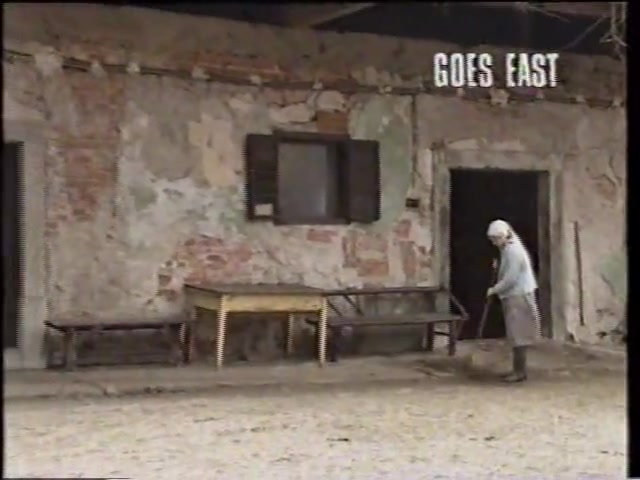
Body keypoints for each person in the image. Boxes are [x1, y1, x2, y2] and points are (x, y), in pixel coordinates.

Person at [486, 219, 541, 383]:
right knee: (516, 334)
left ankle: (520, 372)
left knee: (519, 335)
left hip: (519, 296)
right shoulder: (507, 249)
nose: (494, 242)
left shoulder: (513, 251)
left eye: (496, 239)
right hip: (514, 295)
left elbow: (511, 278)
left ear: (504, 236)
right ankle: (518, 370)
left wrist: (494, 289)